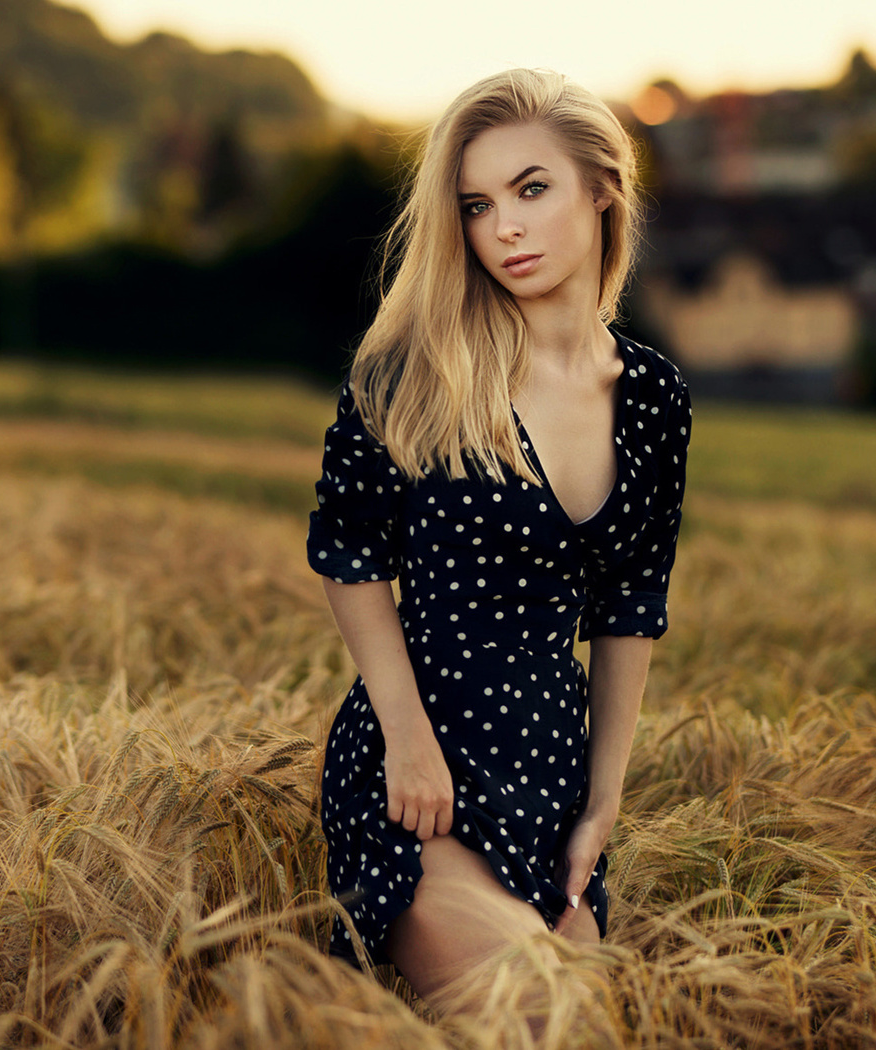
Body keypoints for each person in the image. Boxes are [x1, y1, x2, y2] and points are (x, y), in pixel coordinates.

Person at [306, 68, 692, 1013]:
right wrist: (407, 743)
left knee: (593, 1024)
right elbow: (347, 553)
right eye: (478, 205)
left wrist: (601, 808)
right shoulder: (421, 372)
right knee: (535, 1019)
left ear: (602, 188)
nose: (504, 227)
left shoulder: (653, 397)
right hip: (418, 785)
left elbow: (632, 603)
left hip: (551, 788)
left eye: (531, 189)